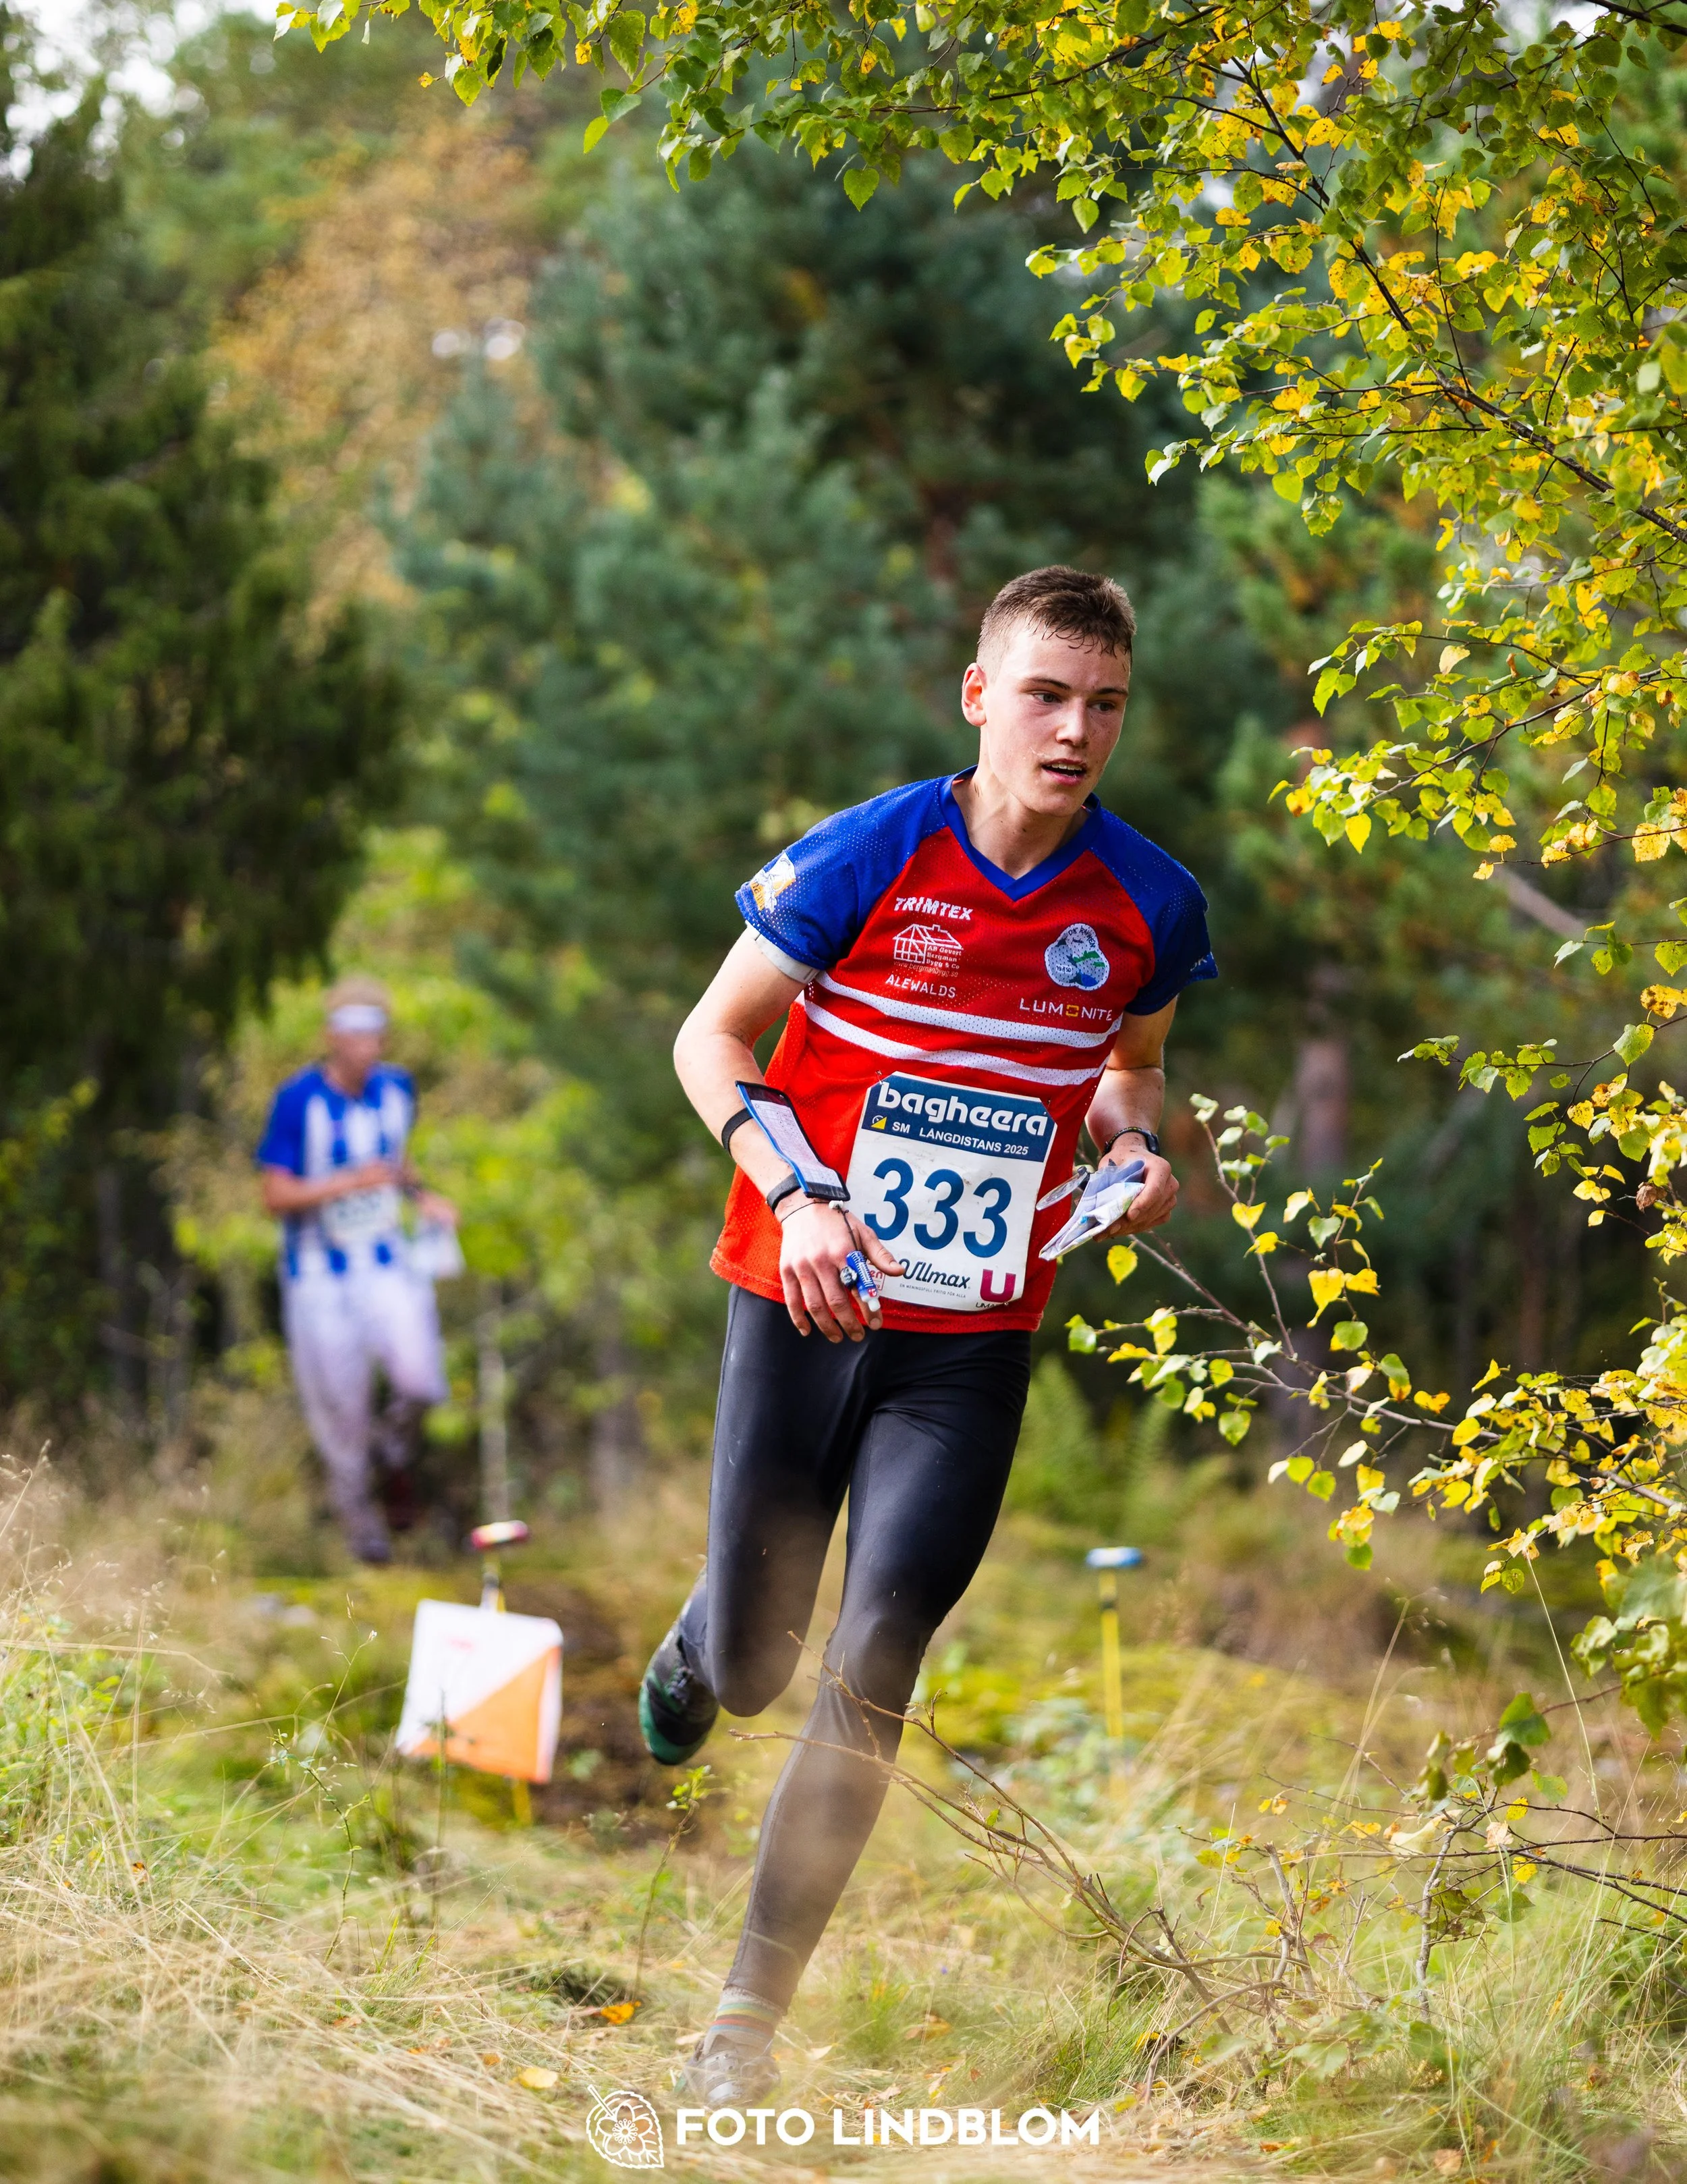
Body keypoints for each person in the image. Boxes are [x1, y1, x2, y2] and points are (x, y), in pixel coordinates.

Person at [642, 566, 1217, 2104]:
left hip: (967, 1343)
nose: (1075, 730)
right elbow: (713, 1036)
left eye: (1104, 705)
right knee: (754, 1667)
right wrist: (803, 1197)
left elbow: (1131, 1074)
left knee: (876, 1657)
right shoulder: (872, 852)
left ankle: (743, 2028)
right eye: (1046, 695)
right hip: (804, 1294)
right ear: (980, 697)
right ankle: (705, 1633)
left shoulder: (1149, 904)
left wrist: (1133, 1153)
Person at [256, 977, 458, 1564]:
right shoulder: (298, 1100)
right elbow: (275, 1195)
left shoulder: (398, 1089)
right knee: (342, 1413)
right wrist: (348, 1183)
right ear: (333, 1038)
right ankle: (364, 1537)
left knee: (421, 1381)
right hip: (319, 1276)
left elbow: (398, 1162)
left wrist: (424, 1197)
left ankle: (393, 1452)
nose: (368, 1047)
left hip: (388, 1262)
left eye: (376, 1035)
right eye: (357, 1036)